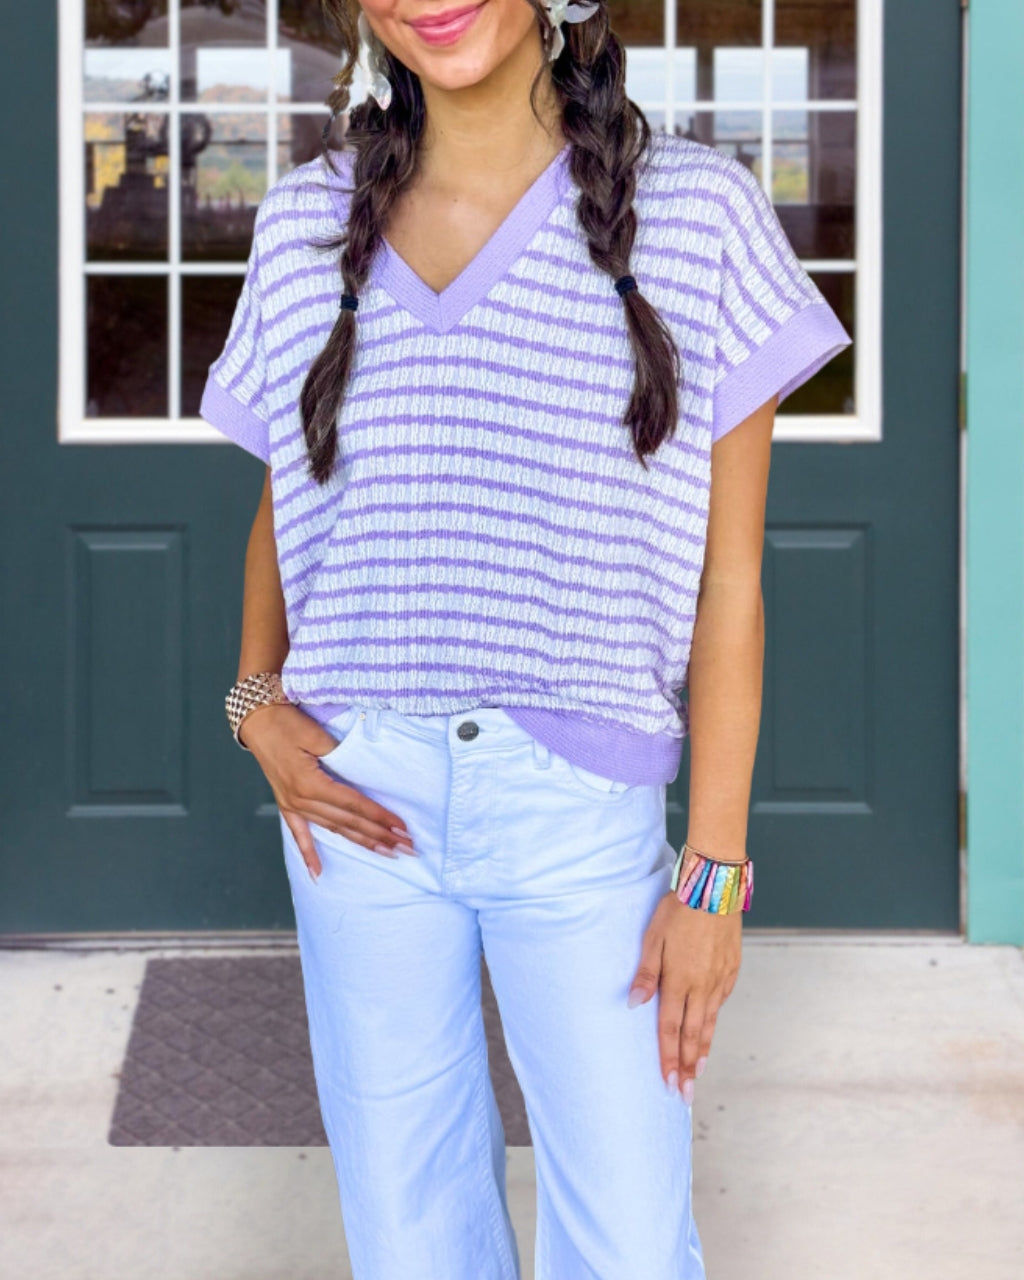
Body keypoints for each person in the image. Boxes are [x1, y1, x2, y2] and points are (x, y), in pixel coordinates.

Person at [203, 2, 851, 1276]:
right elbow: (291, 500)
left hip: (580, 810)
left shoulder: (700, 217)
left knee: (627, 1242)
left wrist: (712, 876)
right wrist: (254, 703)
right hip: (355, 801)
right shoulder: (301, 226)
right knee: (408, 1233)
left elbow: (730, 585)